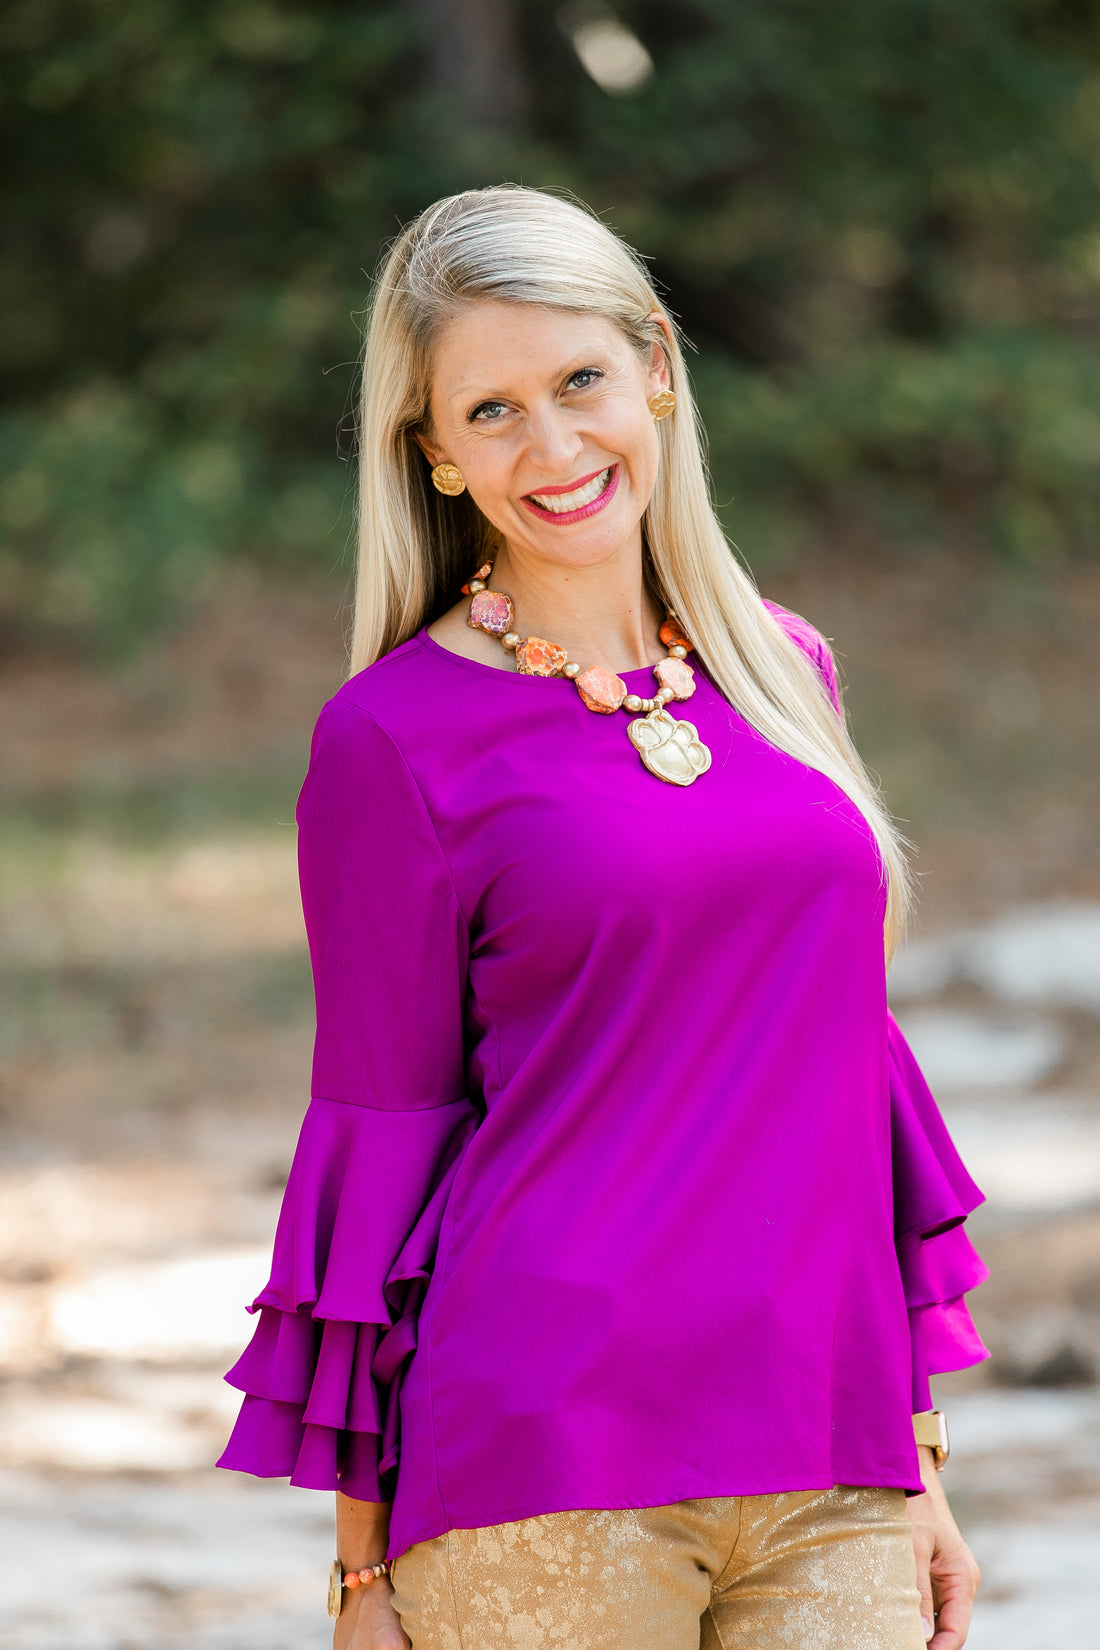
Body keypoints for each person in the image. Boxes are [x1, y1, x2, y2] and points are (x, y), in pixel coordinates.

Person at [218, 185, 987, 1650]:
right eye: (491, 411)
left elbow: (849, 1088)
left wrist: (917, 1454)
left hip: (831, 1455)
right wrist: (362, 1574)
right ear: (435, 455)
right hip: (544, 1463)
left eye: (579, 380)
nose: (556, 446)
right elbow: (383, 1130)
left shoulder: (786, 673)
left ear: (657, 369)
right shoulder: (393, 740)